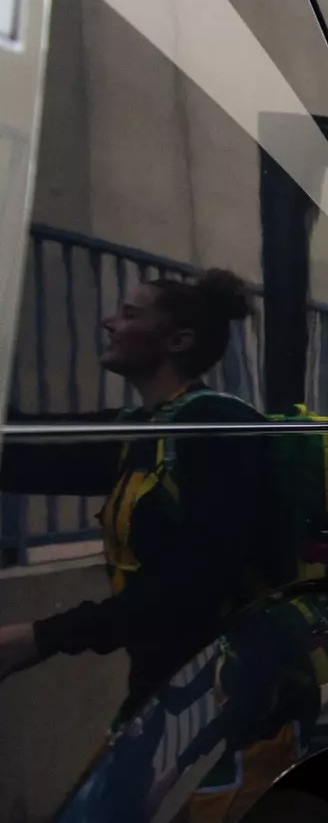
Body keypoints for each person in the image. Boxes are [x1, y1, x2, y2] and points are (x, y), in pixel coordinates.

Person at [0, 269, 269, 696]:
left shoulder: (215, 427)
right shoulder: (143, 429)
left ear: (178, 341)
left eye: (129, 314)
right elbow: (21, 452)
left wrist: (42, 637)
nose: (109, 323)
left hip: (232, 691)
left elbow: (197, 584)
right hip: (169, 687)